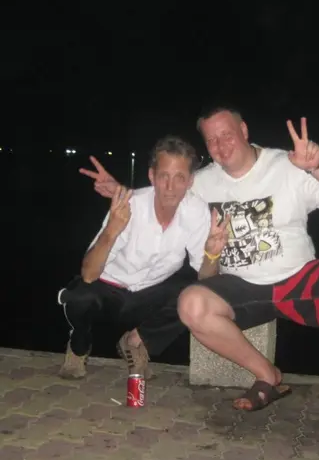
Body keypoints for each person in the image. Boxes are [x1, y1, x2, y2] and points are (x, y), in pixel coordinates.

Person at [79, 107, 319, 436]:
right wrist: (121, 192)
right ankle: (267, 376)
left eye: (227, 135)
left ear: (244, 131)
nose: (221, 146)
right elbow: (166, 190)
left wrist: (317, 167)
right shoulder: (202, 182)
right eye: (212, 140)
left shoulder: (287, 166)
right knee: (191, 302)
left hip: (297, 278)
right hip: (240, 287)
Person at [59, 135, 229, 380]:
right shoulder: (130, 205)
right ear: (152, 176)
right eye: (164, 176)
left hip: (150, 293)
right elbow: (88, 273)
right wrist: (112, 229)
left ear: (190, 181)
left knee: (197, 295)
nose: (170, 187)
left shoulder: (195, 211)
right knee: (79, 297)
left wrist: (212, 254)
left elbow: (206, 277)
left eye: (179, 177)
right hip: (108, 288)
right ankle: (79, 345)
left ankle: (135, 341)